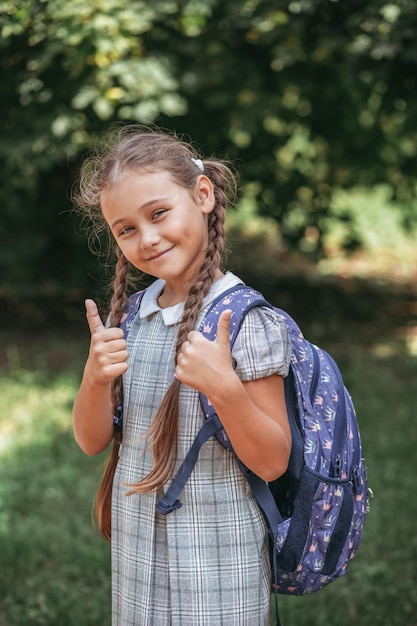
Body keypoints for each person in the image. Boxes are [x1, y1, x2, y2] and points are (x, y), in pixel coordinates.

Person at [72, 125, 292, 626]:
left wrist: (224, 390)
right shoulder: (129, 318)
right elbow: (90, 441)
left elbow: (273, 461)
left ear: (203, 195)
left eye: (158, 213)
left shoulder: (245, 321)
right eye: (125, 229)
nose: (146, 238)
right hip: (137, 560)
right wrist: (94, 376)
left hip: (219, 564)